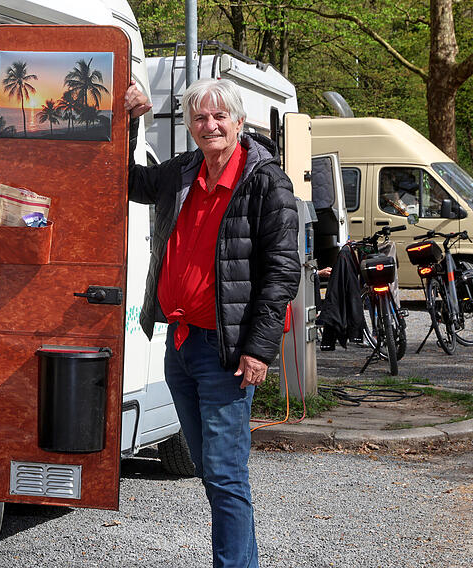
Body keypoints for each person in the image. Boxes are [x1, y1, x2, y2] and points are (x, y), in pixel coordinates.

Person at [124, 78, 300, 567]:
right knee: (212, 470)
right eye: (200, 118)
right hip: (179, 345)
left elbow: (284, 272)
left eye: (220, 116)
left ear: (239, 122)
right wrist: (131, 120)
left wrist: (258, 349)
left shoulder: (266, 181)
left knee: (223, 474)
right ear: (190, 126)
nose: (210, 125)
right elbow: (127, 181)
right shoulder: (182, 172)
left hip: (226, 353)